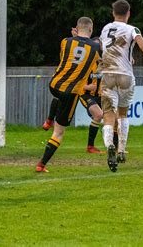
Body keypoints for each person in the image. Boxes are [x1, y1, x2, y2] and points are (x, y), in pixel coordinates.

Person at [99, 0, 143, 172]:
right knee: (123, 114)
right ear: (128, 13)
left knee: (108, 115)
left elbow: (105, 49)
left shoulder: (106, 28)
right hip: (125, 77)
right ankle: (121, 149)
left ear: (113, 13)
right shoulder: (132, 29)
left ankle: (109, 147)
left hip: (107, 75)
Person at [36, 17, 100, 172]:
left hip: (54, 84)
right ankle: (41, 165)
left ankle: (49, 119)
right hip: (70, 92)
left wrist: (74, 36)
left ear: (77, 29)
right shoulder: (96, 49)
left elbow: (66, 58)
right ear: (91, 30)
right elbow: (95, 69)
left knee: (59, 98)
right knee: (58, 133)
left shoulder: (66, 41)